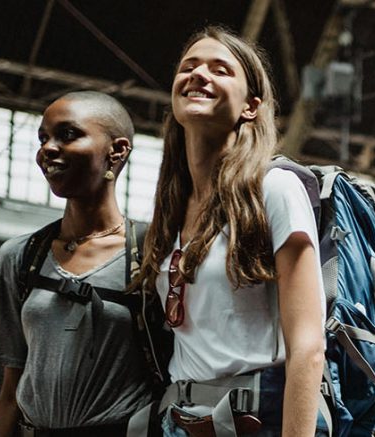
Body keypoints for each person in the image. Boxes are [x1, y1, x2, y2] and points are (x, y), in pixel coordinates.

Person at [134, 26, 327, 436]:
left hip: (257, 420)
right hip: (181, 421)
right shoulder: (169, 211)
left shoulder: (274, 188)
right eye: (188, 67)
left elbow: (308, 348)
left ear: (250, 107)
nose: (199, 74)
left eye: (220, 69)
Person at [0, 91, 166, 437]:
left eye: (68, 134)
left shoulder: (154, 254)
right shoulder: (19, 258)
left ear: (117, 151)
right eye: (43, 138)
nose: (47, 148)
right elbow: (10, 393)